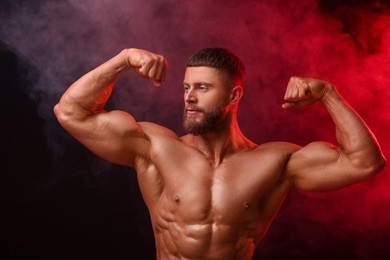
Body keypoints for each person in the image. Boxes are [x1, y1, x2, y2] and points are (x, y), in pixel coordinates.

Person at [54, 47, 386, 259]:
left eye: (202, 88)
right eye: (186, 87)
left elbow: (365, 162)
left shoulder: (276, 161)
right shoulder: (155, 147)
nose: (189, 98)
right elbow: (71, 112)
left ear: (234, 95)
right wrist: (123, 60)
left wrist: (328, 94)